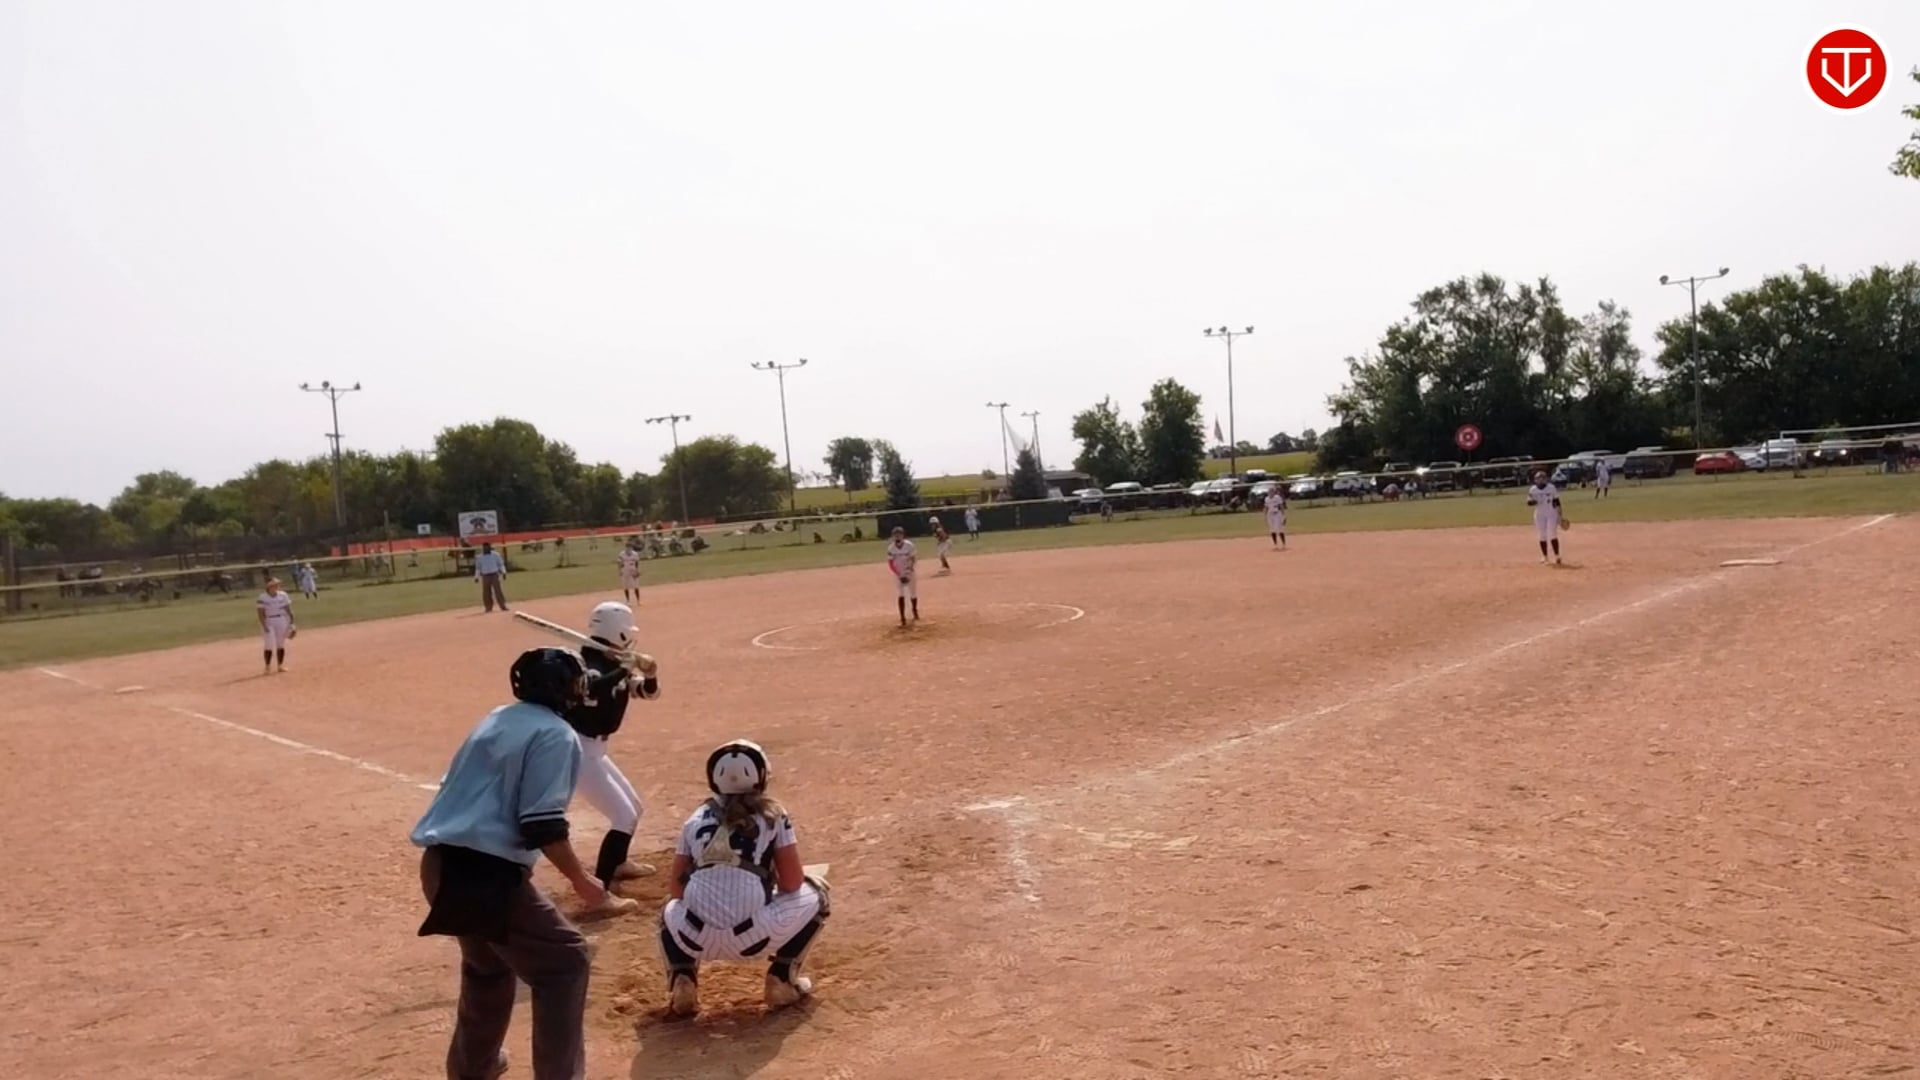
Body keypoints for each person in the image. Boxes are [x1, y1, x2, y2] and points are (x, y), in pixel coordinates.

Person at [410, 647, 609, 1080]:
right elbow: (541, 823)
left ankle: (473, 1068)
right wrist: (581, 880)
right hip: (484, 875)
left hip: (440, 864)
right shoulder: (556, 734)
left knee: (488, 966)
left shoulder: (497, 718)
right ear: (563, 689)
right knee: (565, 963)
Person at [657, 740, 830, 1019]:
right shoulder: (774, 815)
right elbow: (792, 883)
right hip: (756, 938)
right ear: (761, 777)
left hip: (694, 938)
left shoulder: (694, 820)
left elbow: (677, 889)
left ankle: (682, 979)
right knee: (819, 894)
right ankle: (782, 979)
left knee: (668, 906)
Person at [563, 601, 661, 915]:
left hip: (596, 750)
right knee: (623, 816)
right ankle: (599, 893)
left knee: (634, 807)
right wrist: (625, 667)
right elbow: (592, 688)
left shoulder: (611, 661)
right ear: (617, 631)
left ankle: (618, 863)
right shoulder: (587, 664)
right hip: (579, 751)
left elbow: (647, 693)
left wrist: (650, 674)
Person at [256, 576, 296, 674]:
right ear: (268, 586)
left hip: (281, 619)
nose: (277, 586)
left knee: (280, 643)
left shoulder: (283, 595)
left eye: (277, 584)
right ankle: (267, 667)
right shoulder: (262, 597)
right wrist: (264, 626)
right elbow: (260, 613)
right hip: (268, 620)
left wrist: (292, 623)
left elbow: (288, 609)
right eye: (274, 584)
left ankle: (280, 666)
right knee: (269, 644)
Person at [1525, 470, 1565, 565]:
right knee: (1542, 535)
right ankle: (1545, 557)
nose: (1541, 480)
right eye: (1539, 478)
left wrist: (1560, 515)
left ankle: (1557, 556)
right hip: (1539, 514)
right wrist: (1534, 501)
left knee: (1552, 534)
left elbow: (1557, 502)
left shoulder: (1551, 488)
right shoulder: (1533, 489)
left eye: (1543, 478)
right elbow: (1528, 502)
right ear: (1535, 480)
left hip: (1551, 513)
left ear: (1546, 479)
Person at [886, 526, 919, 626]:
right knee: (901, 594)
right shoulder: (891, 548)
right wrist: (899, 575)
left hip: (910, 572)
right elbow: (891, 564)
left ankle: (914, 610)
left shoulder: (909, 545)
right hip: (898, 573)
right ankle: (902, 617)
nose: (897, 537)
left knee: (913, 593)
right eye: (895, 535)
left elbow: (913, 559)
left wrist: (908, 572)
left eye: (899, 534)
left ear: (903, 535)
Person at [475, 543, 509, 613]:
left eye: (487, 547)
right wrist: (476, 577)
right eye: (485, 548)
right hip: (485, 576)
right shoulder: (479, 557)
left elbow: (500, 564)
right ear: (483, 548)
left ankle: (503, 605)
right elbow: (478, 568)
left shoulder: (496, 555)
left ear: (490, 547)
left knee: (498, 591)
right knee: (486, 592)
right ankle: (488, 607)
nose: (486, 549)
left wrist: (504, 572)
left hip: (494, 574)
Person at [615, 541, 642, 606]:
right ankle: (628, 601)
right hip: (625, 570)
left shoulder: (635, 554)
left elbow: (637, 562)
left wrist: (637, 570)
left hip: (633, 570)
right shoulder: (622, 554)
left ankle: (638, 601)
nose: (629, 549)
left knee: (636, 585)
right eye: (627, 547)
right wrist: (620, 570)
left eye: (630, 547)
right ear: (626, 547)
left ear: (632, 548)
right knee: (625, 586)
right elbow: (619, 563)